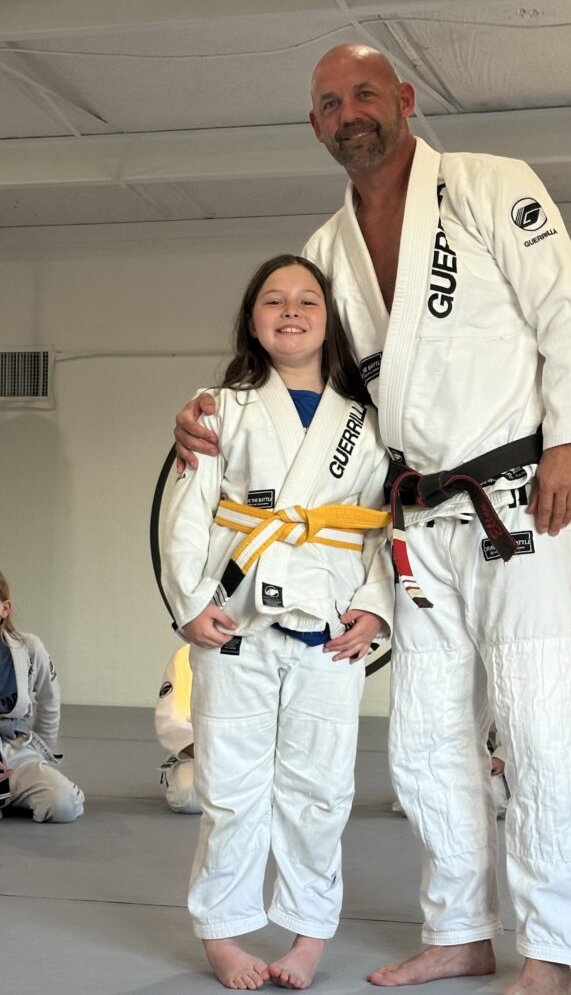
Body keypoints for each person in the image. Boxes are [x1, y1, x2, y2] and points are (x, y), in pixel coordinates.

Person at [175, 45, 571, 995]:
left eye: (364, 93)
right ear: (316, 125)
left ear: (405, 98)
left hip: (520, 497)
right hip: (415, 521)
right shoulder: (326, 249)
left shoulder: (491, 186)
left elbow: (563, 312)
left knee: (536, 728)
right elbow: (307, 382)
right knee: (422, 741)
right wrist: (206, 412)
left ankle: (551, 956)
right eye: (330, 103)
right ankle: (460, 932)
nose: (349, 113)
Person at [162, 254, 394, 991]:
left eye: (307, 301)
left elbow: (385, 526)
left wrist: (376, 606)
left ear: (330, 321)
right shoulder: (218, 407)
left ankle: (308, 934)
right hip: (237, 623)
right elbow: (185, 513)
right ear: (251, 319)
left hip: (331, 627)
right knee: (229, 787)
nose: (290, 311)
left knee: (320, 792)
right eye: (273, 300)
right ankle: (223, 932)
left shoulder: (367, 419)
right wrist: (189, 601)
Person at [0, 564, 84, 824]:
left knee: (64, 804)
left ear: (5, 609)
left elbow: (49, 701)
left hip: (17, 753)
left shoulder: (28, 649)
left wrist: (43, 754)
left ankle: (2, 797)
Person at [155, 644, 200, 815]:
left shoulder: (269, 651)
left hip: (258, 755)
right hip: (206, 754)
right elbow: (173, 722)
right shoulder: (188, 655)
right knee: (188, 796)